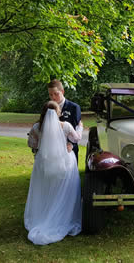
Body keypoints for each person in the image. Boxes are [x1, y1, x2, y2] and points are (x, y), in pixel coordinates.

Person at [25, 101, 83, 245]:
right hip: (63, 163)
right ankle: (63, 216)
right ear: (58, 112)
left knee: (45, 191)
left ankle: (43, 216)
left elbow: (31, 144)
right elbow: (76, 138)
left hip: (44, 165)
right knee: (63, 192)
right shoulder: (66, 126)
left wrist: (43, 145)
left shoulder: (37, 127)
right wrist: (80, 127)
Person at [47, 79, 82, 163]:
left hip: (69, 149)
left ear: (62, 91)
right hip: (53, 149)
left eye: (56, 94)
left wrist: (71, 144)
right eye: (50, 95)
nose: (53, 97)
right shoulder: (48, 108)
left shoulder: (74, 107)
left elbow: (76, 128)